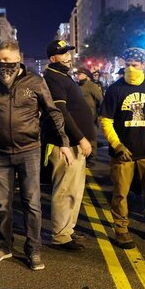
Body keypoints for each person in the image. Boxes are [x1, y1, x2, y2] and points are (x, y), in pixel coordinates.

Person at [0, 40, 73, 271]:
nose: (4, 64)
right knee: (2, 204)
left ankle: (33, 250)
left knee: (32, 204)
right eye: (0, 60)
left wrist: (64, 142)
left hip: (29, 150)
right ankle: (4, 246)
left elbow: (53, 112)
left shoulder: (35, 81)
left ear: (18, 58)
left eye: (8, 60)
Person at [100, 48, 145, 249]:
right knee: (120, 194)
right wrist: (117, 144)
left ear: (143, 65)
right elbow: (105, 121)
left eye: (135, 65)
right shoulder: (115, 89)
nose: (130, 68)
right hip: (123, 154)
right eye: (127, 64)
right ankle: (121, 230)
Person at [43, 40, 95, 252]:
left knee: (75, 190)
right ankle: (60, 235)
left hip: (74, 143)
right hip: (65, 144)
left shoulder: (63, 76)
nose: (68, 56)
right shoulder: (52, 77)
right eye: (63, 53)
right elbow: (60, 113)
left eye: (68, 52)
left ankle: (68, 229)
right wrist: (80, 138)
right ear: (53, 58)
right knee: (65, 191)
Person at [75, 66, 103, 168]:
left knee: (92, 138)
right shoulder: (76, 86)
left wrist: (100, 114)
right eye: (77, 74)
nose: (78, 76)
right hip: (80, 117)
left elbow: (101, 100)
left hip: (91, 117)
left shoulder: (92, 86)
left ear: (86, 75)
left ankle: (91, 159)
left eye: (81, 74)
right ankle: (83, 157)